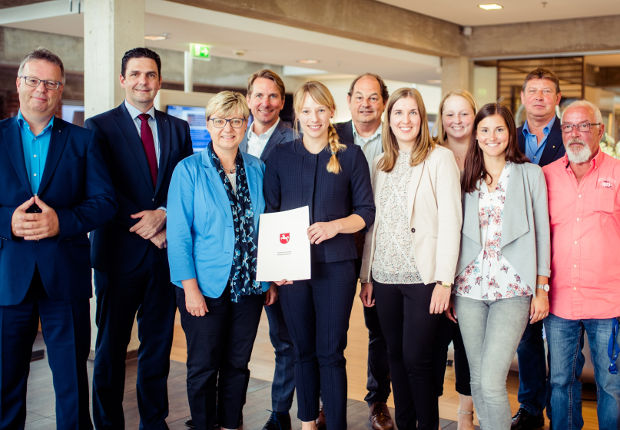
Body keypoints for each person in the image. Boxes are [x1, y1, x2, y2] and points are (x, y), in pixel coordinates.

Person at [0, 48, 116, 429]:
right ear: (19, 84)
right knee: (6, 379)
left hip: (65, 275)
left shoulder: (82, 141)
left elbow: (104, 203)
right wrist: (8, 222)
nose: (41, 89)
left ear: (60, 90)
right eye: (33, 80)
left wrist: (61, 223)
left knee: (70, 379)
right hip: (8, 276)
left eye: (51, 82)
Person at [86, 47, 193, 429]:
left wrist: (164, 215)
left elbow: (183, 187)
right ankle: (108, 423)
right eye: (135, 74)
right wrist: (147, 226)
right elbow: (100, 191)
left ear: (159, 81)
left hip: (164, 255)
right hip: (118, 254)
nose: (143, 81)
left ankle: (154, 421)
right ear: (123, 80)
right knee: (112, 348)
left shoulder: (177, 128)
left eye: (150, 75)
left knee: (157, 346)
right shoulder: (99, 127)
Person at [263, 80, 375, 429]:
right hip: (292, 271)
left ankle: (337, 424)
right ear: (296, 114)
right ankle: (308, 423)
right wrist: (272, 270)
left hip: (337, 268)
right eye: (307, 111)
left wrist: (334, 226)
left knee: (331, 352)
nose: (314, 118)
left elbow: (366, 212)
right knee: (302, 351)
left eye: (321, 110)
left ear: (332, 112)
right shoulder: (280, 156)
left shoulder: (350, 155)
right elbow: (269, 214)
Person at [167, 91, 277, 430]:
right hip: (204, 286)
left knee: (237, 363)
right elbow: (179, 236)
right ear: (208, 124)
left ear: (246, 125)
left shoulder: (258, 168)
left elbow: (268, 226)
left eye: (235, 120)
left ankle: (231, 424)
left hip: (249, 286)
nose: (227, 128)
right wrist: (190, 289)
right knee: (203, 365)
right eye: (219, 120)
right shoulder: (188, 170)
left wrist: (270, 277)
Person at [359, 87, 462, 430]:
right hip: (385, 277)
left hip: (424, 278)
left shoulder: (439, 158)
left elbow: (451, 222)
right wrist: (366, 276)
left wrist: (445, 281)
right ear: (389, 119)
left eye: (413, 112)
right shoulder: (380, 164)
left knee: (418, 360)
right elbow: (371, 224)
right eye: (398, 113)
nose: (405, 120)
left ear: (423, 118)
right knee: (395, 358)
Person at [453, 103, 550, 430]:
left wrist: (542, 289)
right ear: (476, 135)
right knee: (478, 380)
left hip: (513, 290)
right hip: (469, 290)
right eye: (484, 130)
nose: (491, 136)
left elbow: (542, 233)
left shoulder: (529, 175)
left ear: (510, 133)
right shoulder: (467, 174)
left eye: (499, 129)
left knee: (492, 380)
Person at [542, 100, 620, 430]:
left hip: (609, 302)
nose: (576, 134)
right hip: (559, 301)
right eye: (569, 127)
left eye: (584, 125)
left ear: (599, 131)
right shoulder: (544, 177)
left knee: (611, 386)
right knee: (560, 382)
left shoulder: (617, 173)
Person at [335, 73, 394, 430]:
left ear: (383, 103)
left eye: (373, 97)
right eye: (360, 96)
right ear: (349, 99)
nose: (366, 104)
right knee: (333, 328)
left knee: (380, 330)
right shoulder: (331, 136)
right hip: (339, 242)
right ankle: (328, 400)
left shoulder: (398, 136)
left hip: (383, 246)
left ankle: (378, 401)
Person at [239, 69, 296, 430]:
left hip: (277, 256)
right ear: (248, 99)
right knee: (234, 342)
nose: (265, 103)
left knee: (285, 343)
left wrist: (274, 269)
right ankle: (226, 410)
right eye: (259, 95)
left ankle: (279, 413)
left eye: (273, 96)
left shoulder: (294, 141)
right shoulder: (232, 136)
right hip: (238, 261)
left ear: (282, 102)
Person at [512, 67, 564, 430]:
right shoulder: (508, 138)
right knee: (527, 335)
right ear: (523, 97)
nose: (539, 97)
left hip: (564, 246)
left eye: (547, 91)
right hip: (521, 253)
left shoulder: (572, 135)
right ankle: (530, 407)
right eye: (533, 91)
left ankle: (562, 408)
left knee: (562, 335)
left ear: (557, 98)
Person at [433, 89, 477, 430]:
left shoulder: (489, 153)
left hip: (477, 270)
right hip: (435, 267)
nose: (457, 121)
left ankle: (465, 415)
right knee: (431, 345)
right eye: (450, 114)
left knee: (468, 348)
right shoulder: (431, 154)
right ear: (441, 118)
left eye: (464, 113)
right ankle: (427, 414)